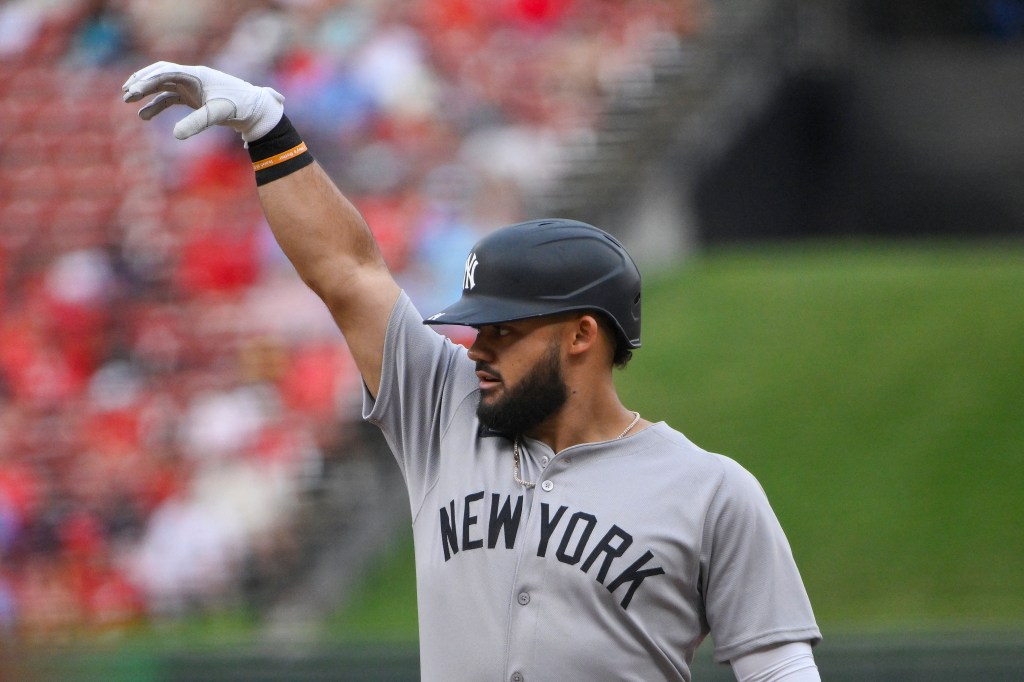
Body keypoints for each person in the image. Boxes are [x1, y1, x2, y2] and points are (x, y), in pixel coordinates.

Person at [122, 61, 822, 682]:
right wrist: (271, 131)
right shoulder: (443, 411)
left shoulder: (711, 493)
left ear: (582, 335)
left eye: (504, 331)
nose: (476, 346)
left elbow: (780, 666)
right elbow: (350, 275)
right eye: (477, 325)